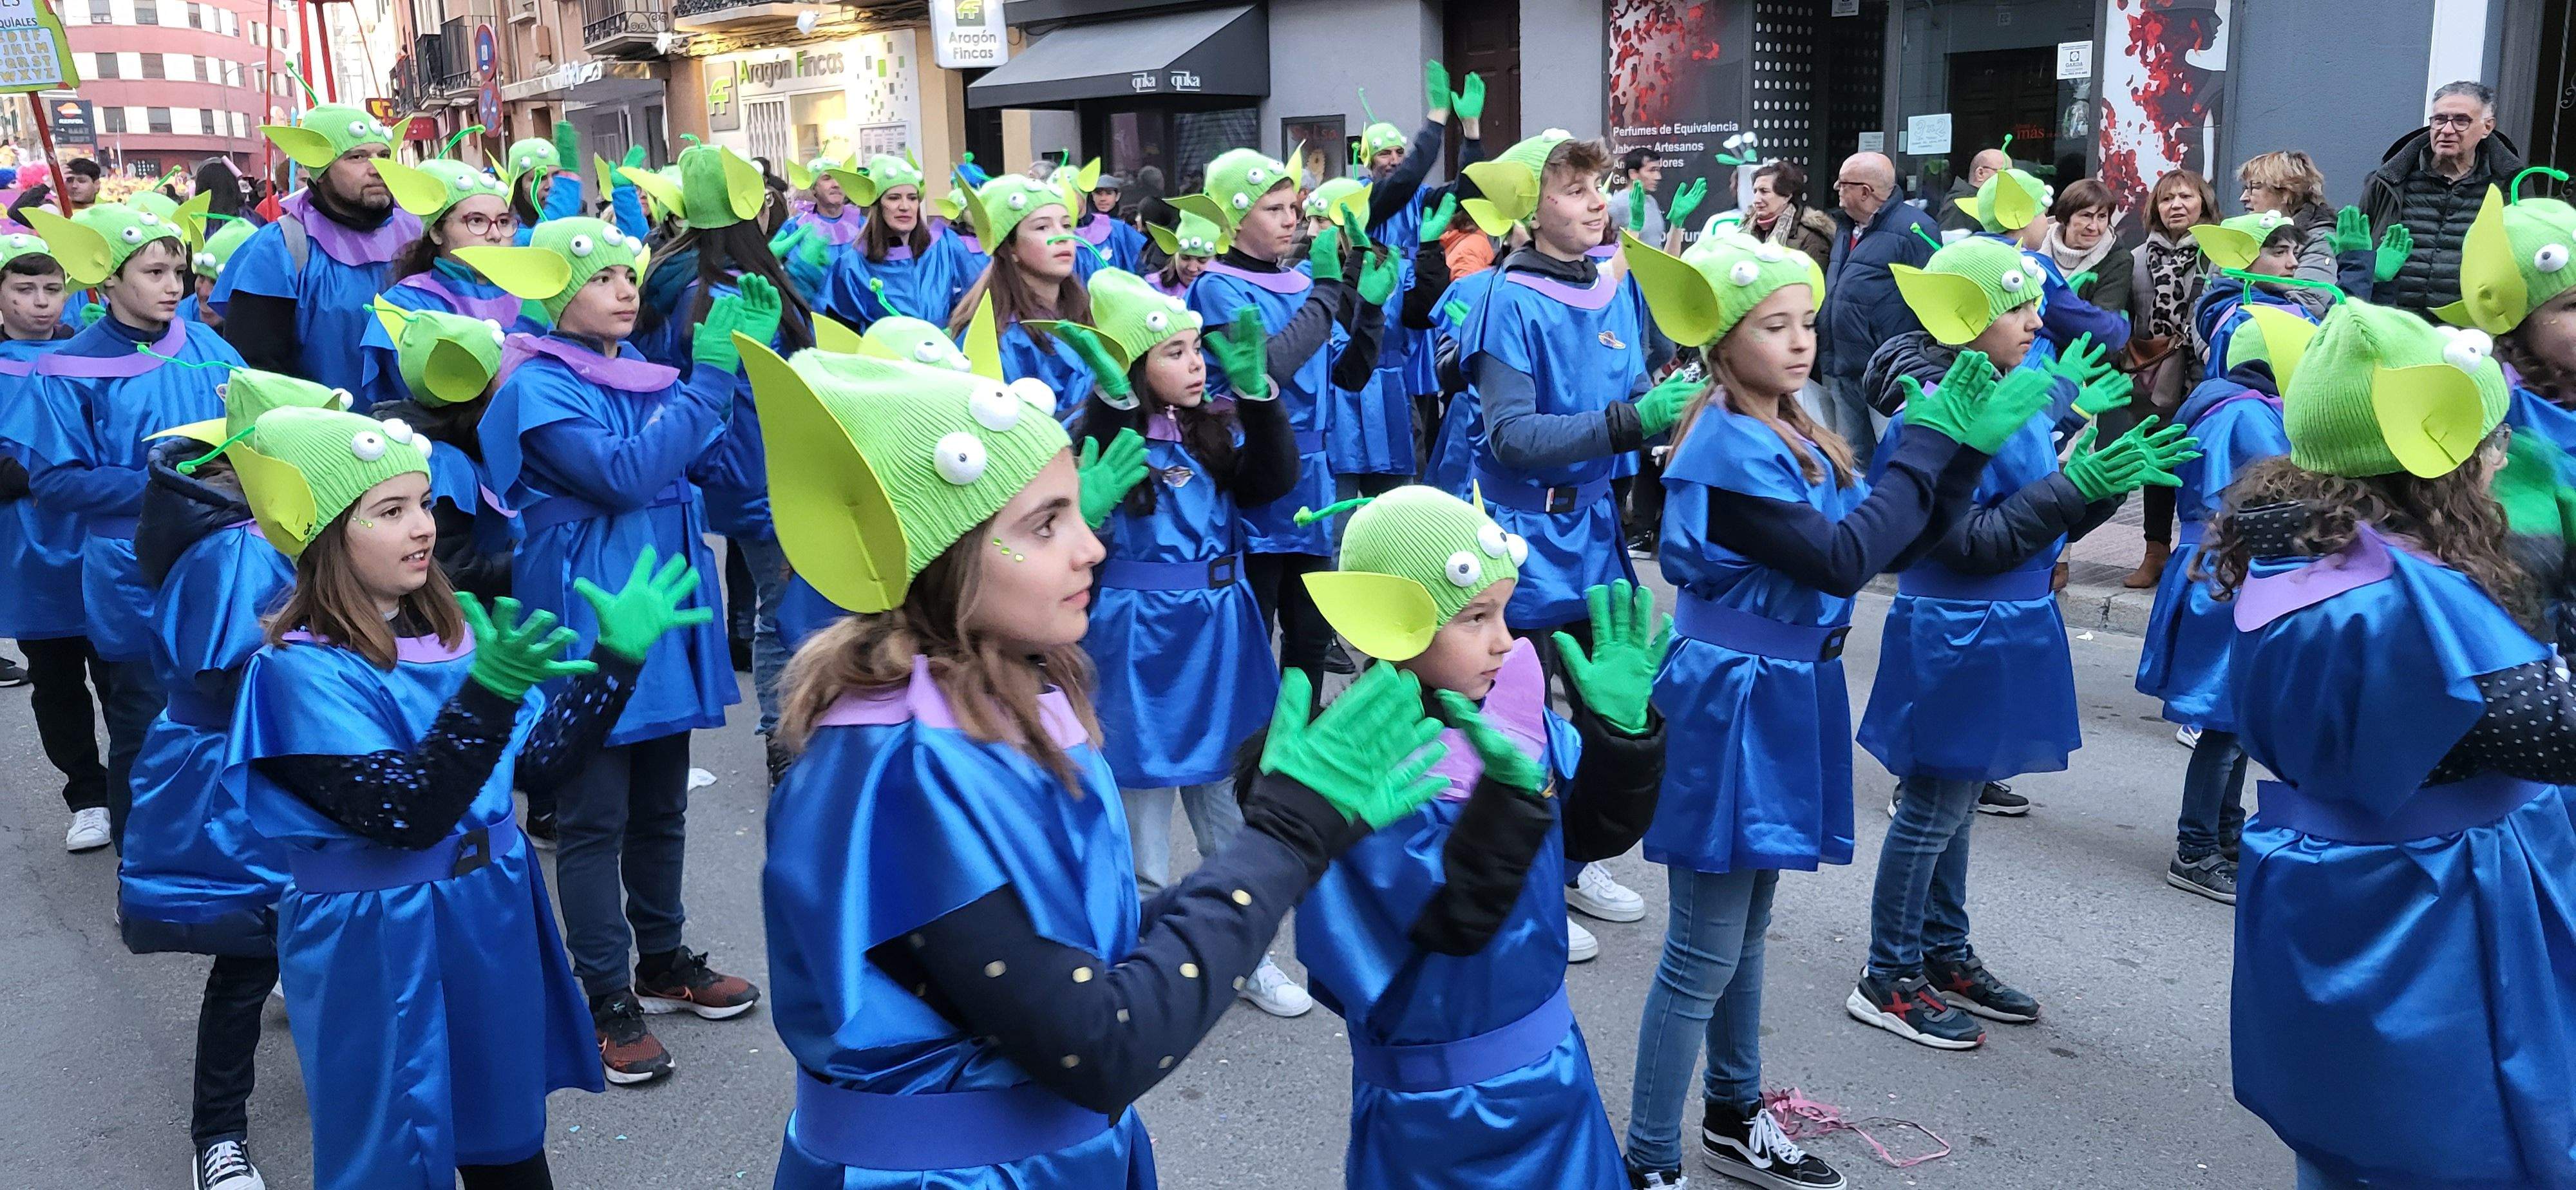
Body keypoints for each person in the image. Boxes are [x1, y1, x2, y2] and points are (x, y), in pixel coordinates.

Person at [743, 337, 1451, 1187]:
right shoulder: (901, 768)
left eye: (1077, 513)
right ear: (944, 557)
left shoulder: (981, 717)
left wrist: (1272, 847)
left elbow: (1085, 962)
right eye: (1044, 524)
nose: (1091, 548)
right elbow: (1102, 1043)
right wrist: (1287, 838)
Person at [1614, 229, 2044, 1189]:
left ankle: (1733, 1115)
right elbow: (1848, 557)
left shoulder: (1792, 423)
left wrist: (1963, 458)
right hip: (1733, 702)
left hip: (1784, 690)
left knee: (1749, 928)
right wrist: (1932, 441)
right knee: (1700, 951)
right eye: (1775, 326)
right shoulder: (1723, 443)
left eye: (1806, 321)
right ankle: (1646, 1161)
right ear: (1722, 342)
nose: (1801, 340)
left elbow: (1890, 542)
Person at [225, 404, 710, 1188]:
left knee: (507, 1141)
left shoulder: (449, 636)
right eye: (389, 511)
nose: (423, 527)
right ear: (322, 536)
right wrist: (487, 693)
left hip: (488, 909)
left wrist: (616, 661)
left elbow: (540, 768)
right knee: (393, 1149)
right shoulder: (295, 671)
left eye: (422, 502)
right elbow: (411, 814)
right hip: (378, 935)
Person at [2199, 297, 2575, 1190]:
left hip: (2334, 892)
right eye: (2487, 437)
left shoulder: (2300, 551)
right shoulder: (2404, 603)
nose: (2499, 457)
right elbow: (2551, 731)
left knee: (2354, 1145)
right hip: (2438, 910)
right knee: (2457, 1146)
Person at [1850, 236, 2196, 1049]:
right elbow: (1960, 543)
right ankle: (1887, 972)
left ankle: (1942, 950)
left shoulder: (2017, 390)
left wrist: (2097, 483)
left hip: (2009, 621)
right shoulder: (1927, 417)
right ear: (1965, 317)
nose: (2038, 317)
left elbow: (2043, 516)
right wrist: (2074, 486)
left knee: (1961, 803)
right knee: (1932, 807)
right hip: (1953, 628)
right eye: (2018, 304)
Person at [1291, 487, 1669, 1189]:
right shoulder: (1361, 780)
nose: (1505, 638)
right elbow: (1451, 922)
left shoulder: (1515, 723)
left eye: (1504, 611)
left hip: (1555, 1080)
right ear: (1392, 624)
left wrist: (1620, 739)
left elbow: (1589, 832)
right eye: (1474, 616)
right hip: (1437, 1118)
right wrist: (1508, 799)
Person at [460, 218, 762, 1084]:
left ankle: (661, 962)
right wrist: (708, 384)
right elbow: (624, 476)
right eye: (600, 278)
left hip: (663, 600)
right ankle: (604, 997)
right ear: (556, 292)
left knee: (664, 803)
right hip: (592, 607)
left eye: (629, 274)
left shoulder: (635, 367)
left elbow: (705, 469)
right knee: (595, 819)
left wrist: (750, 364)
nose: (626, 290)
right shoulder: (535, 382)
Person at [1048, 270, 1310, 1015]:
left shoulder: (1214, 424)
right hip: (1136, 640)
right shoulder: (1097, 429)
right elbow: (1085, 490)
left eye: (1198, 349)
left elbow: (1270, 484)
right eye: (1174, 351)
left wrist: (1261, 402)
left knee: (1229, 800)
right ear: (1132, 365)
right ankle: (1146, 960)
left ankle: (1246, 953)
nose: (1197, 364)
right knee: (1141, 811)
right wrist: (1110, 407)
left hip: (1220, 632)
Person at [123, 368, 337, 1190]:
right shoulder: (237, 544)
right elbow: (230, 673)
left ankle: (343, 1069)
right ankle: (218, 1134)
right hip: (251, 773)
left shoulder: (282, 525)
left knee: (318, 932)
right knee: (250, 952)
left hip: (311, 764)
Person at [14, 205, 240, 849]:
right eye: (154, 271)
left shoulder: (208, 346)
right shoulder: (65, 369)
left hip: (222, 556)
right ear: (106, 282)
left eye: (179, 269)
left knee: (226, 706)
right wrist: (171, 480)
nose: (173, 285)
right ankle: (143, 875)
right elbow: (55, 483)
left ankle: (221, 854)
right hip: (131, 567)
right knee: (143, 719)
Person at [632, 142, 815, 770]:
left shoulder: (668, 273)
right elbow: (752, 390)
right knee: (785, 606)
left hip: (724, 468)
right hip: (764, 468)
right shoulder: (735, 288)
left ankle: (786, 735)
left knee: (775, 602)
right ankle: (785, 740)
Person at [2133, 305, 2308, 905]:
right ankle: (2196, 847)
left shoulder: (2224, 402)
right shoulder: (2248, 415)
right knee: (2224, 724)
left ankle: (2225, 832)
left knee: (2234, 722)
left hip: (2219, 570)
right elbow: (2274, 497)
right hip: (2229, 575)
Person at [1457, 133, 1662, 641]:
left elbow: (1637, 394)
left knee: (1615, 710)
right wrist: (1634, 422)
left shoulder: (1607, 290)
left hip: (1597, 534)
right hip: (1520, 542)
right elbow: (1514, 437)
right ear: (1531, 212)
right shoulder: (1506, 301)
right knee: (1521, 713)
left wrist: (1684, 410)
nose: (1599, 201)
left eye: (1599, 184)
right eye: (1575, 190)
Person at [1173, 146, 1365, 690]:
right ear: (1234, 220)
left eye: (1292, 207)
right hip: (1256, 473)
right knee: (1256, 635)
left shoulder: (1304, 287)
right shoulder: (1215, 285)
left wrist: (1365, 307)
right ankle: (1249, 762)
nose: (1291, 220)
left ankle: (1294, 755)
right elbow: (1267, 371)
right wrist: (1329, 292)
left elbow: (1348, 376)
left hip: (1314, 480)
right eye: (1273, 209)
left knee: (1309, 640)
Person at [0, 231, 106, 851]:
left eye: (52, 288)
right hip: (26, 545)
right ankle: (87, 795)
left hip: (94, 538)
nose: (42, 303)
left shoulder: (91, 355)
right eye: (24, 289)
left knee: (122, 675)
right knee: (57, 677)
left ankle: (135, 789)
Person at [214, 106, 416, 394]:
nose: (377, 169)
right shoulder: (279, 248)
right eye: (357, 157)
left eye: (383, 156)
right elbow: (260, 373)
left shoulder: (421, 233)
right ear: (319, 172)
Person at [364, 300, 515, 600]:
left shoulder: (454, 445)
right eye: (500, 377)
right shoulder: (441, 464)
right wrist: (535, 560)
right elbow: (455, 573)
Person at [361, 153, 534, 410]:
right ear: (437, 233)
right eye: (477, 221)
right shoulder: (406, 304)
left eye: (504, 222)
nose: (496, 235)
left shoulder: (531, 293)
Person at [2120, 168, 2218, 589]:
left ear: (2204, 204)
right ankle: (2155, 551)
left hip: (2206, 372)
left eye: (2185, 197)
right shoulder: (2138, 259)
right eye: (2166, 199)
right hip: (2155, 378)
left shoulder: (2221, 254)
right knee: (2156, 463)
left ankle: (2204, 554)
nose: (2176, 205)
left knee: (2203, 462)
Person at [2363, 80, 2527, 314]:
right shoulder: (2390, 180)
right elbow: (2357, 251)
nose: (2447, 130)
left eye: (2461, 121)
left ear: (2487, 127)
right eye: (2440, 119)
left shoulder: (2510, 186)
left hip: (2469, 330)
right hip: (2392, 321)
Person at [1820, 151, 1937, 469]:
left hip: (1887, 371)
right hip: (1843, 364)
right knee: (1850, 462)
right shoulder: (1845, 226)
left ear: (1865, 191)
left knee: (1892, 460)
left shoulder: (1915, 230)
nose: (1836, 189)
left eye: (1842, 184)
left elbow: (1930, 302)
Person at [949, 174, 1097, 412]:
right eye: (1042, 227)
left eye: (1067, 225)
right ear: (1010, 248)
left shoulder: (1085, 312)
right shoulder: (998, 339)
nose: (1063, 237)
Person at [812, 154, 976, 330]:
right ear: (878, 206)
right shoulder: (852, 266)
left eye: (912, 198)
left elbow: (974, 304)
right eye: (894, 198)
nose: (905, 206)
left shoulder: (944, 247)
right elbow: (838, 333)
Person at [2231, 151, 2347, 317]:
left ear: (2286, 192)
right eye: (2245, 188)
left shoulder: (2320, 239)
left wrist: (2238, 326)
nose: (2243, 198)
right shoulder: (2243, 234)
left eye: (2254, 188)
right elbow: (2208, 299)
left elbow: (2305, 306)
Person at [2044, 179, 2131, 321]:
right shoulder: (2035, 243)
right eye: (2086, 216)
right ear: (2066, 217)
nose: (2094, 227)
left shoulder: (2118, 260)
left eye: (2102, 217)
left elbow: (2099, 322)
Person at [501, 125, 585, 246]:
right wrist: (566, 186)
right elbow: (544, 237)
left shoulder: (580, 217)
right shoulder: (506, 233)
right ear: (518, 189)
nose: (551, 185)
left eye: (557, 176)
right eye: (539, 179)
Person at [1746, 160, 1832, 270]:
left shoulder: (1811, 239)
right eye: (1755, 192)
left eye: (1764, 191)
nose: (1756, 200)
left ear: (1787, 196)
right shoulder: (1748, 228)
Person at [1068, 164, 1146, 273]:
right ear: (1092, 195)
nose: (1103, 199)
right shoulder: (1065, 232)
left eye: (1109, 193)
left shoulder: (1122, 228)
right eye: (1099, 194)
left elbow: (1137, 269)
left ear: (1117, 196)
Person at [1142, 207, 1223, 298]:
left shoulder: (1228, 294)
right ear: (1175, 256)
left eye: (1202, 260)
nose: (1192, 268)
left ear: (1216, 260)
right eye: (1185, 258)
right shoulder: (1152, 289)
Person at [1935, 147, 2012, 237]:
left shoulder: (1988, 200)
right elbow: (1951, 248)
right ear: (1980, 173)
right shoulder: (1958, 207)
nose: (2012, 177)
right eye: (2005, 172)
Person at [1610, 147, 1666, 248]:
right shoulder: (1617, 204)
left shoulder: (1652, 201)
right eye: (1652, 170)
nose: (1658, 177)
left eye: (1658, 170)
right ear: (1633, 174)